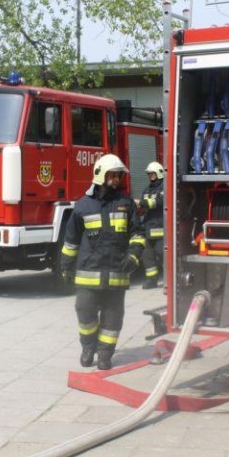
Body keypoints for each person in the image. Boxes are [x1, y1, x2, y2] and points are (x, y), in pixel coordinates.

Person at [59, 154, 145, 370]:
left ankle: (106, 354)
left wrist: (133, 255)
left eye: (118, 175)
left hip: (117, 272)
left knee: (113, 318)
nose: (116, 179)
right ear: (99, 174)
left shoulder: (126, 204)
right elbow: (71, 241)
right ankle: (88, 347)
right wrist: (66, 267)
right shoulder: (83, 206)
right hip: (88, 272)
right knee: (84, 310)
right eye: (112, 175)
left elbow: (137, 233)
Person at [137, 161, 165, 289]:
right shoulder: (147, 189)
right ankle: (151, 280)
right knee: (147, 255)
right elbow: (144, 204)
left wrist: (142, 203)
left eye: (153, 174)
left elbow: (158, 202)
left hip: (160, 229)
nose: (151, 176)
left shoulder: (164, 188)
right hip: (148, 229)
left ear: (159, 173)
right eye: (149, 174)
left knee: (162, 254)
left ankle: (171, 280)